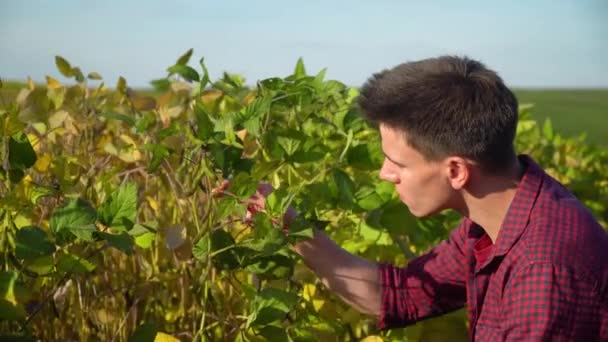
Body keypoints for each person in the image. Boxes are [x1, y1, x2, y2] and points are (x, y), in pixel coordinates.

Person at [248, 56, 608, 340]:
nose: (385, 174)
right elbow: (404, 295)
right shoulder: (496, 214)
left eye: (398, 163)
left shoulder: (543, 269)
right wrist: (289, 225)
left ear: (455, 171)